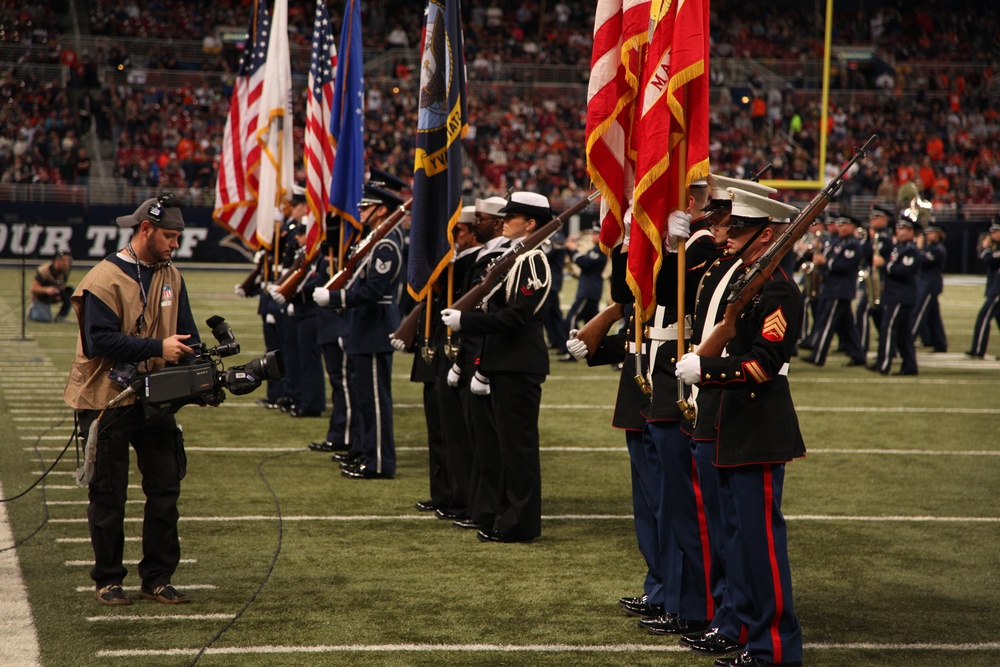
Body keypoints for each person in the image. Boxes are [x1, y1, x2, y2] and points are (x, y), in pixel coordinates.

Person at [675, 188, 804, 667]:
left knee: (761, 546)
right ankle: (749, 635)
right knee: (736, 539)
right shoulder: (743, 282)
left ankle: (775, 648)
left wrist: (706, 372)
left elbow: (765, 363)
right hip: (730, 424)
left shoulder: (778, 290)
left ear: (766, 234)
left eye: (740, 230)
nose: (726, 236)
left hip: (757, 427)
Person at [63, 194, 201, 606]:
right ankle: (108, 579)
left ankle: (157, 577)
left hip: (155, 398)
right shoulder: (102, 278)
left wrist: (198, 381)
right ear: (146, 230)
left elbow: (188, 334)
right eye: (170, 237)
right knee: (109, 493)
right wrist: (158, 344)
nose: (175, 245)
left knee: (165, 487)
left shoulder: (172, 276)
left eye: (177, 237)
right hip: (107, 398)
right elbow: (99, 339)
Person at [440, 191, 552, 543]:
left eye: (512, 217)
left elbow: (517, 317)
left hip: (519, 364)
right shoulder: (515, 257)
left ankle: (520, 525)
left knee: (518, 449)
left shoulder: (532, 260)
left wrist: (467, 323)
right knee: (505, 448)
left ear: (531, 224)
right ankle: (505, 518)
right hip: (504, 363)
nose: (504, 222)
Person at [314, 184, 404, 479]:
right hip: (361, 327)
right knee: (364, 399)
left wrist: (336, 298)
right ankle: (366, 452)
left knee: (376, 403)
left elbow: (375, 291)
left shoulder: (387, 245)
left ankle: (379, 462)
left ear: (382, 211)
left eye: (367, 207)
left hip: (375, 328)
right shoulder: (373, 240)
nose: (361, 212)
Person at [801, 216, 867, 367]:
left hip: (839, 289)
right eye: (839, 224)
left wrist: (824, 262)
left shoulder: (853, 245)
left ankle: (818, 356)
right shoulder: (839, 241)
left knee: (826, 323)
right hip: (833, 287)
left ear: (852, 226)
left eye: (844, 224)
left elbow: (843, 266)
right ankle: (858, 356)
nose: (840, 227)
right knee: (847, 326)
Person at [868, 212, 921, 376]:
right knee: (903, 332)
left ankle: (884, 364)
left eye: (904, 228)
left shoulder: (912, 250)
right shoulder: (898, 248)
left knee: (888, 327)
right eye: (898, 228)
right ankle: (910, 365)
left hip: (902, 296)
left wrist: (884, 265)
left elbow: (904, 271)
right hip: (894, 294)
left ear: (911, 232)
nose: (899, 231)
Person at [562, 225, 607, 345]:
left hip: (589, 291)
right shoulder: (594, 249)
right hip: (590, 290)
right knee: (591, 325)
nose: (593, 235)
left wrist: (573, 250)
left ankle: (572, 349)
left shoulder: (600, 250)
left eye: (596, 233)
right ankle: (590, 348)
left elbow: (584, 262)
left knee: (571, 319)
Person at [966, 218, 1000, 359]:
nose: (992, 234)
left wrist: (985, 249)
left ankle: (978, 349)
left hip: (998, 290)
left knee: (984, 316)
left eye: (995, 231)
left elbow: (990, 261)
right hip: (995, 287)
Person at [912, 222, 947, 352]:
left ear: (938, 234)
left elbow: (924, 261)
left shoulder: (938, 249)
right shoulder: (930, 248)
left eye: (930, 233)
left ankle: (908, 339)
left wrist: (919, 249)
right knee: (933, 317)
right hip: (925, 284)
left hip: (930, 285)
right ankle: (940, 343)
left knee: (918, 313)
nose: (927, 235)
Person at [29, 251, 74, 322]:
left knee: (71, 292)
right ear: (57, 260)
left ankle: (61, 317)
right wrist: (46, 290)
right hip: (41, 298)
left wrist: (57, 294)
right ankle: (32, 311)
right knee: (45, 319)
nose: (66, 263)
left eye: (68, 261)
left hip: (53, 294)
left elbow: (61, 284)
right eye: (63, 261)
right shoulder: (44, 271)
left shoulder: (65, 271)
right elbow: (33, 288)